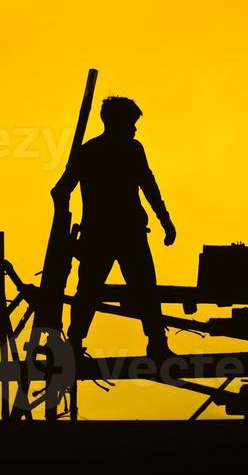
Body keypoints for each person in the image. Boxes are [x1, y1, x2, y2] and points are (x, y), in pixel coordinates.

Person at [52, 96, 177, 361]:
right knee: (94, 291)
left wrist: (165, 221)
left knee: (136, 289)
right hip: (106, 235)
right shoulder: (103, 152)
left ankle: (155, 343)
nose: (134, 129)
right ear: (117, 123)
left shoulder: (96, 151)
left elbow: (148, 186)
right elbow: (60, 191)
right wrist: (63, 233)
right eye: (131, 123)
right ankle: (75, 344)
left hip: (119, 233)